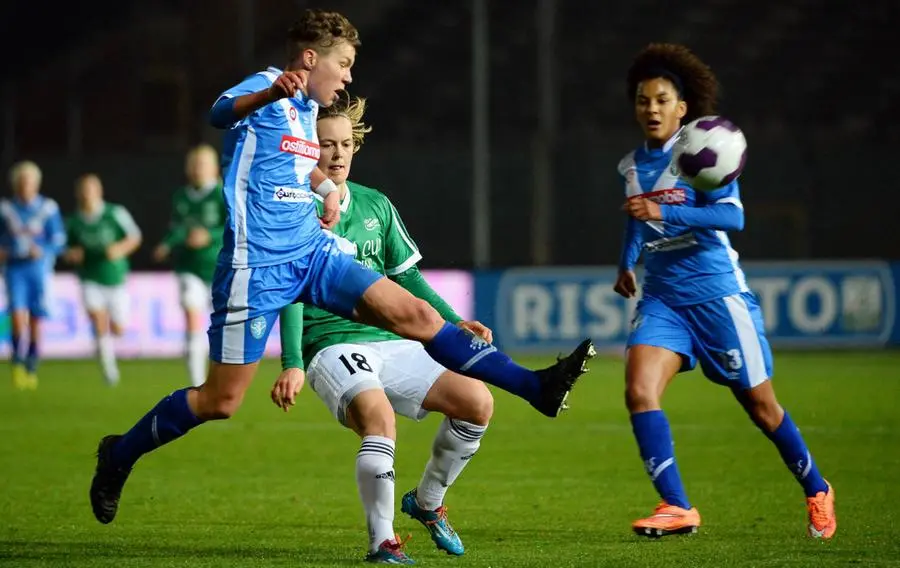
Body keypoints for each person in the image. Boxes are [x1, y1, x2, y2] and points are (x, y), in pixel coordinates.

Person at [89, 9, 594, 528]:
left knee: (416, 315)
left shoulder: (306, 111)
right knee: (221, 400)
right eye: (345, 64)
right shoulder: (268, 87)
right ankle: (119, 454)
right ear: (311, 59)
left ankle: (536, 388)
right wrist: (268, 94)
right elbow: (218, 113)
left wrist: (327, 190)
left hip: (311, 251)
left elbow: (293, 163)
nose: (349, 76)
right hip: (256, 266)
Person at [614, 43, 836, 539]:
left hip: (717, 298)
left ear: (682, 107)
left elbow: (731, 217)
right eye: (643, 100)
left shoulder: (701, 152)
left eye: (662, 99)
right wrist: (627, 263)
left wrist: (663, 212)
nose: (651, 108)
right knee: (638, 390)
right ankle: (676, 506)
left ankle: (818, 489)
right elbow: (637, 217)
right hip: (663, 298)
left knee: (761, 408)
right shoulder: (630, 165)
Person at [273, 94, 494, 563]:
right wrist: (292, 361)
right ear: (307, 152)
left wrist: (455, 322)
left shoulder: (376, 205)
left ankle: (428, 502)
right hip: (330, 343)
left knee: (477, 402)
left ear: (355, 148)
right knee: (380, 420)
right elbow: (289, 291)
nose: (336, 154)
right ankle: (383, 542)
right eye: (324, 145)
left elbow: (407, 277)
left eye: (344, 144)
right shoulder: (293, 210)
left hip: (392, 340)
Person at [153, 144, 227, 387]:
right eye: (194, 164)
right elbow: (178, 228)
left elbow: (233, 227)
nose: (198, 169)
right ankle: (197, 384)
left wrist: (210, 236)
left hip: (219, 269)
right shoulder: (181, 197)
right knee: (193, 319)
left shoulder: (222, 193)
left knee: (221, 329)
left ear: (214, 168)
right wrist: (166, 244)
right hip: (189, 269)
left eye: (203, 164)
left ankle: (219, 380)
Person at [63, 174, 142, 385]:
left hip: (115, 277)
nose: (87, 193)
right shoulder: (74, 221)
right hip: (89, 277)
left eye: (91, 189)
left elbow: (134, 236)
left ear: (99, 191)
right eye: (83, 189)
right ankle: (109, 371)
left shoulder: (114, 213)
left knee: (118, 328)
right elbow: (65, 248)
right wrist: (72, 254)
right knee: (98, 322)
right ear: (78, 193)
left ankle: (110, 351)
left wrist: (120, 248)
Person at [0, 161, 66, 390]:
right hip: (15, 269)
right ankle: (16, 361)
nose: (25, 186)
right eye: (22, 182)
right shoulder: (6, 209)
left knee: (37, 320)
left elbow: (59, 240)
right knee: (18, 319)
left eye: (29, 182)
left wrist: (45, 250)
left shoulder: (48, 208)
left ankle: (31, 365)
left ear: (36, 184)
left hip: (39, 270)